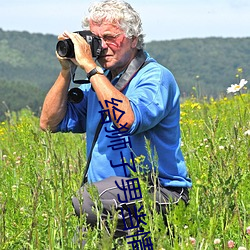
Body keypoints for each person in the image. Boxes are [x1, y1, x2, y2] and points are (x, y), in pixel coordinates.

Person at [40, 0, 192, 246]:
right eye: (96, 39)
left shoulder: (154, 77)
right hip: (109, 202)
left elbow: (127, 121)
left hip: (157, 192)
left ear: (133, 39)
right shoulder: (98, 83)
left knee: (87, 200)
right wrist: (66, 70)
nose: (102, 47)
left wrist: (90, 67)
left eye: (110, 37)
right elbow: (49, 122)